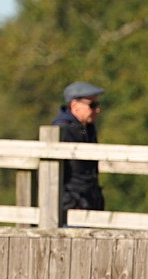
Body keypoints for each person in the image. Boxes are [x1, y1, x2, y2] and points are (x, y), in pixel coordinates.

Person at [51, 81, 106, 212]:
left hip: (89, 205)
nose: (97, 109)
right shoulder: (62, 131)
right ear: (75, 105)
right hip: (71, 208)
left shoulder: (88, 128)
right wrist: (70, 202)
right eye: (92, 105)